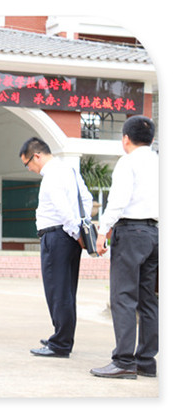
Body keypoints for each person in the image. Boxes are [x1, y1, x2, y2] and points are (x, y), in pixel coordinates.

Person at [90, 115, 159, 379]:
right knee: (148, 300)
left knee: (123, 297)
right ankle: (146, 361)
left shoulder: (128, 162)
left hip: (130, 234)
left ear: (125, 139)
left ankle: (123, 361)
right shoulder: (160, 162)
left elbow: (118, 200)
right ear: (152, 139)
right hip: (154, 233)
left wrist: (103, 231)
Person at [19, 137, 92, 358]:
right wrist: (81, 228)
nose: (29, 168)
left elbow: (62, 208)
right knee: (67, 290)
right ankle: (62, 335)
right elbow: (86, 199)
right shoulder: (70, 170)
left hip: (57, 236)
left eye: (27, 164)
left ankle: (60, 343)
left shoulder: (51, 175)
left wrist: (75, 232)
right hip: (68, 237)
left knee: (57, 291)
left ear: (36, 156)